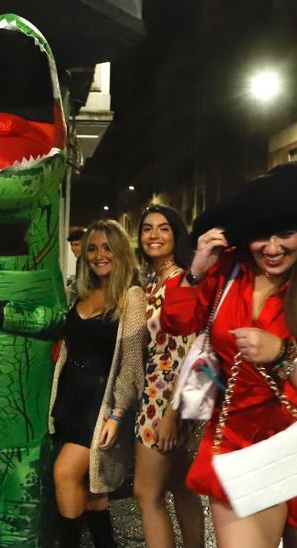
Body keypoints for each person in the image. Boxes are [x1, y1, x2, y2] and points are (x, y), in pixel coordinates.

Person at [162, 227, 297, 548]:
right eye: (261, 235)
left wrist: (284, 355)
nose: (272, 248)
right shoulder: (229, 271)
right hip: (241, 444)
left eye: (285, 234)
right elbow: (177, 322)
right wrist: (196, 271)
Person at [49, 219, 145, 548]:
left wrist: (117, 414)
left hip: (99, 402)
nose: (99, 255)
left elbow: (132, 363)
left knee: (64, 473)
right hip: (70, 397)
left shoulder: (132, 296)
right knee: (93, 492)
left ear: (120, 252)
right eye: (92, 248)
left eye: (107, 247)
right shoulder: (81, 291)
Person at [131, 205, 205, 548]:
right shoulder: (155, 281)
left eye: (163, 228)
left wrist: (172, 414)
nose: (154, 235)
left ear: (177, 235)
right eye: (147, 228)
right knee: (180, 486)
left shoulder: (180, 280)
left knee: (146, 492)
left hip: (166, 395)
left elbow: (188, 351)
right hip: (165, 392)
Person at [65, 227, 86, 306]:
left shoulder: (87, 261)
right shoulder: (80, 260)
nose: (73, 248)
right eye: (71, 245)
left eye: (76, 245)